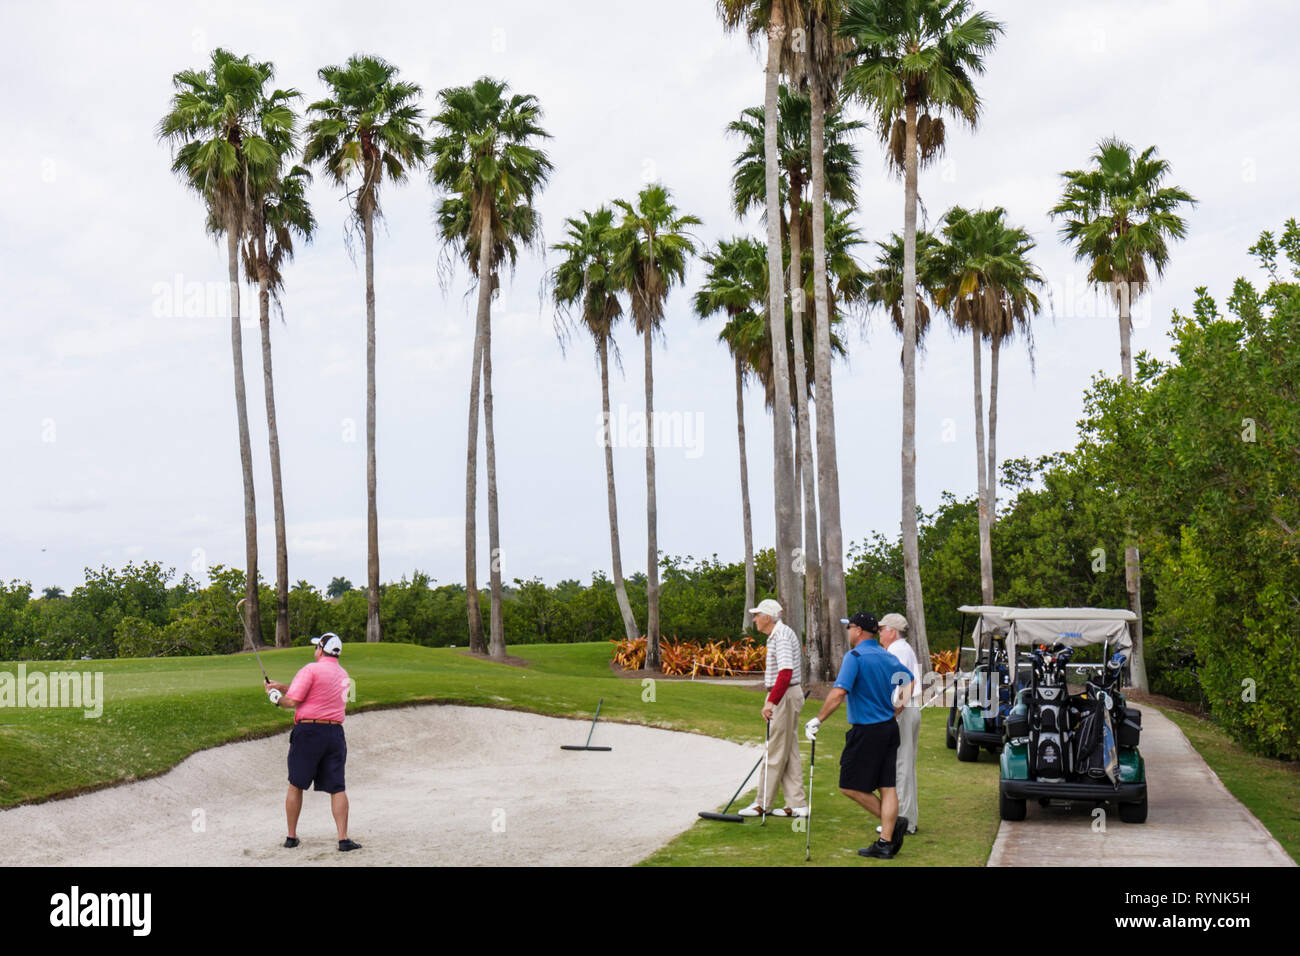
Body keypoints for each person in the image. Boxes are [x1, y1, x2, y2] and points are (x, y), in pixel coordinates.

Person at [804, 611, 913, 859]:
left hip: (867, 731)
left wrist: (818, 719)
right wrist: (898, 708)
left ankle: (893, 826)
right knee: (887, 785)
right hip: (888, 728)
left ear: (859, 630)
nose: (849, 631)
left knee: (849, 786)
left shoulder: (855, 657)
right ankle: (886, 842)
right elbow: (909, 682)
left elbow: (839, 692)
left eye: (850, 627)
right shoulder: (886, 655)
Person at [265, 632, 361, 851]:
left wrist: (275, 698)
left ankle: (291, 837)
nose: (314, 650)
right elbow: (319, 695)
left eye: (316, 646)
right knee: (337, 787)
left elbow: (292, 702)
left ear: (321, 649)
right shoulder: (345, 675)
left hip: (308, 732)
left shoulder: (311, 669)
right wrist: (283, 687)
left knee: (296, 784)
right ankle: (343, 839)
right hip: (334, 734)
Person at [739, 598, 807, 818]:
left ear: (768, 617)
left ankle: (762, 804)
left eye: (757, 615)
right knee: (789, 750)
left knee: (775, 750)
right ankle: (797, 803)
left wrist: (771, 701)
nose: (755, 619)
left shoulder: (782, 636)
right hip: (785, 694)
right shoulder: (778, 635)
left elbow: (785, 673)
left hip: (785, 696)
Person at [879, 612, 920, 836]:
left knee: (901, 765)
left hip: (903, 710)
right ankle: (908, 820)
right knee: (905, 764)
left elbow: (904, 684)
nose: (879, 633)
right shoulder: (901, 649)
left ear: (892, 631)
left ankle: (900, 821)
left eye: (882, 629)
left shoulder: (898, 650)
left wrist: (893, 711)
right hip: (908, 709)